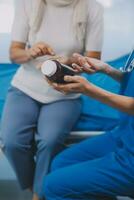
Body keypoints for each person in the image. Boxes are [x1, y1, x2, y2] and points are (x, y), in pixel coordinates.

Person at [0, 0, 104, 200]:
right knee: (12, 142)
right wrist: (30, 53)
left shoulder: (92, 8)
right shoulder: (27, 4)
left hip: (65, 91)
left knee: (49, 140)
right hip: (25, 87)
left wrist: (66, 61)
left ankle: (39, 194)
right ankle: (35, 186)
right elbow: (14, 54)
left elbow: (93, 59)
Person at [43, 50, 134, 200]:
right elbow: (130, 81)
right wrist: (107, 69)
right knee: (61, 162)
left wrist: (89, 90)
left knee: (53, 186)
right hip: (125, 133)